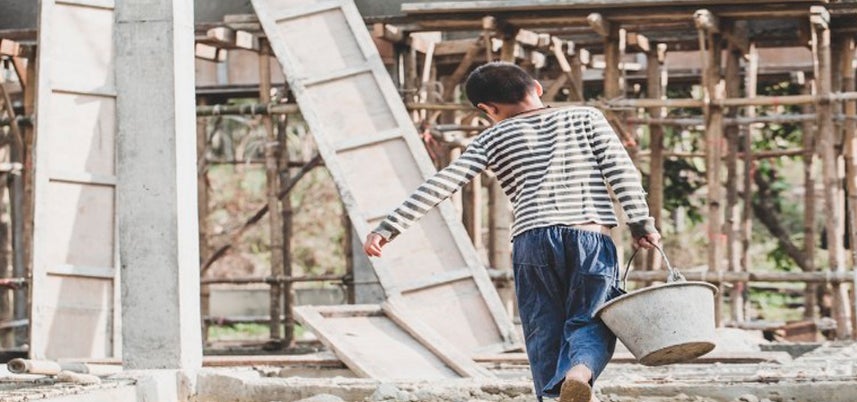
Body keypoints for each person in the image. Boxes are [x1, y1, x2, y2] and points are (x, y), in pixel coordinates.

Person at [362, 61, 661, 402]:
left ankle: (551, 395)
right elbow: (621, 172)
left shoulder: (491, 136)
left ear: (487, 109)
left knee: (542, 329)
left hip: (532, 241)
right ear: (536, 87)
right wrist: (641, 222)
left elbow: (444, 181)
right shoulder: (585, 117)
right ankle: (579, 372)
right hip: (589, 235)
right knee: (593, 317)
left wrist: (390, 226)